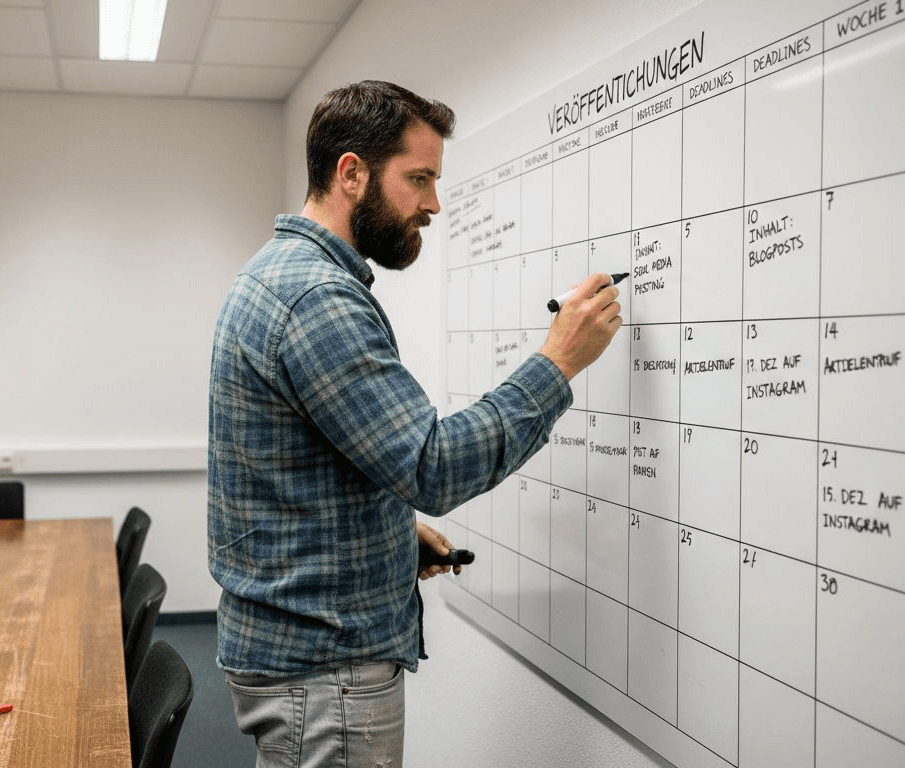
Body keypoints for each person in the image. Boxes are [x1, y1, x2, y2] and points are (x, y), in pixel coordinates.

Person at [207, 80, 622, 767]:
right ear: (351, 173)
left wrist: (387, 535)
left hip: (298, 656)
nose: (433, 203)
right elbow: (430, 466)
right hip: (325, 668)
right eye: (419, 178)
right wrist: (558, 362)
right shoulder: (317, 297)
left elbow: (295, 467)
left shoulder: (274, 272)